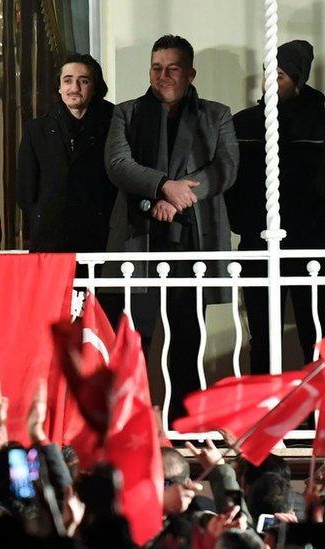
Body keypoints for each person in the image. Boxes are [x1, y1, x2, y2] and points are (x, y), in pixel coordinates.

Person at [104, 35, 239, 421]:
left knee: (187, 338)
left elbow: (225, 169)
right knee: (135, 338)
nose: (162, 75)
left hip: (192, 243)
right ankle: (130, 423)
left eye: (172, 68)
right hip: (138, 241)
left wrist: (180, 196)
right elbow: (117, 164)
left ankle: (184, 424)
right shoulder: (126, 113)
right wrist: (165, 186)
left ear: (190, 73)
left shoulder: (217, 114)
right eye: (156, 67)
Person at [226, 40, 325, 375]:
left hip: (312, 246)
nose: (270, 81)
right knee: (263, 340)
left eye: (280, 75)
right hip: (258, 242)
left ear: (298, 80)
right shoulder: (245, 124)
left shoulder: (320, 122)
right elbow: (232, 183)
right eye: (269, 73)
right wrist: (243, 223)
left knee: (315, 337)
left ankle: (317, 425)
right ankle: (265, 422)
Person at [17, 53, 115, 252]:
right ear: (59, 86)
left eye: (83, 81)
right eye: (68, 81)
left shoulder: (113, 124)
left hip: (100, 239)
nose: (74, 88)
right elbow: (25, 191)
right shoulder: (36, 130)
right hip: (50, 240)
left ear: (95, 86)